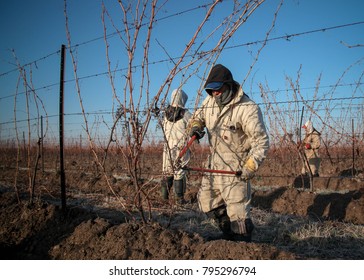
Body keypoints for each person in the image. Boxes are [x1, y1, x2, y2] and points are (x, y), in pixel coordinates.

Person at [188, 64, 269, 242]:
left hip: (236, 167)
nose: (214, 94)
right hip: (214, 163)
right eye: (211, 91)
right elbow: (198, 117)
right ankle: (228, 237)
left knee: (238, 213)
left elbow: (261, 142)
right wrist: (196, 127)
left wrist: (250, 165)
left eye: (217, 90)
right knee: (207, 202)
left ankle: (242, 246)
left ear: (228, 85)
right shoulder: (209, 101)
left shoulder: (247, 108)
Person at [161, 88, 192, 205]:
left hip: (167, 147)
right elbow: (194, 126)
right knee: (180, 171)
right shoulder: (186, 114)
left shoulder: (165, 113)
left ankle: (164, 199)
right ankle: (180, 200)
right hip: (181, 146)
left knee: (167, 171)